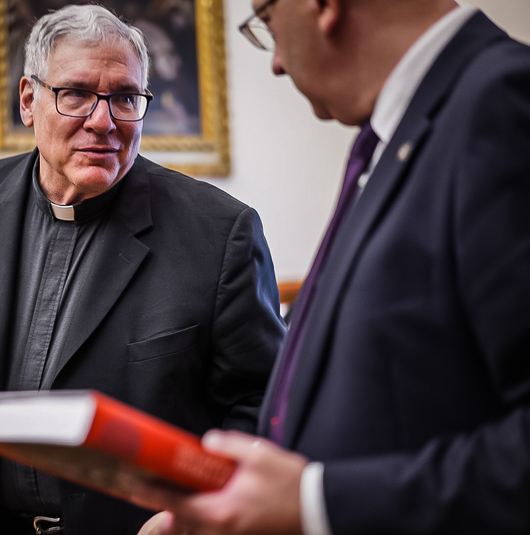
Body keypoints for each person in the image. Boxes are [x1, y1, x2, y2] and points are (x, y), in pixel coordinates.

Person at [133, 0, 530, 534]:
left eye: (265, 21)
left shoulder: (502, 103)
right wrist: (240, 506)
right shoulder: (401, 133)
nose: (274, 61)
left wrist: (314, 504)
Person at [0, 5, 285, 535]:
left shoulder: (221, 233)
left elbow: (263, 406)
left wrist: (190, 516)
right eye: (76, 93)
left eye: (126, 97)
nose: (103, 121)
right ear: (29, 101)